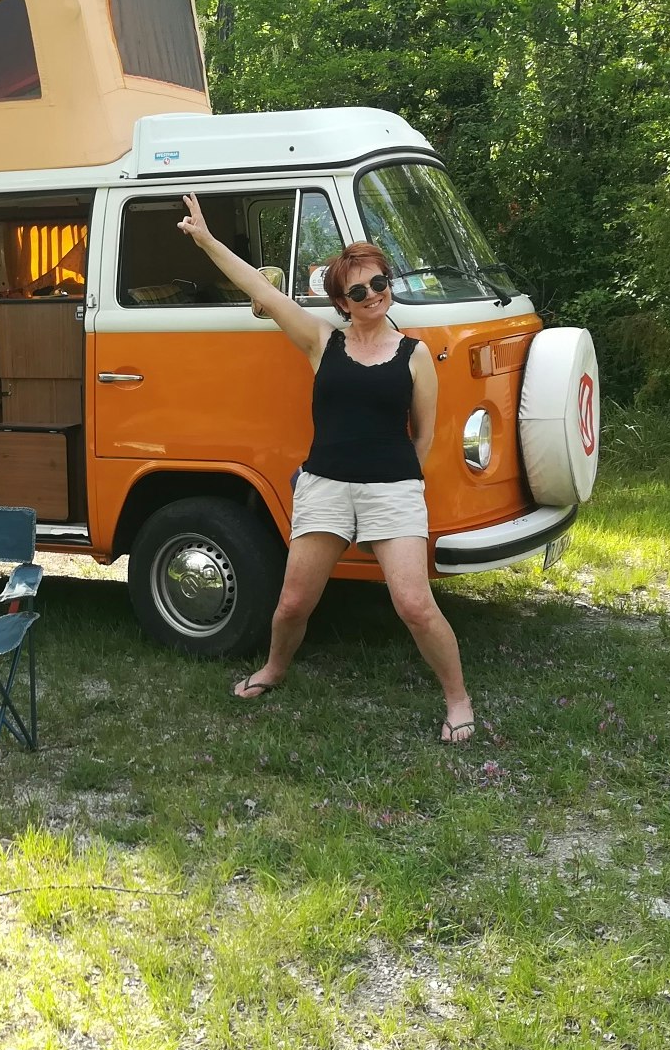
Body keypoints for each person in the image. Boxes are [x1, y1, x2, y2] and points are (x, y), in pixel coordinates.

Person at [176, 194, 478, 741]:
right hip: (324, 487)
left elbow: (426, 434)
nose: (371, 296)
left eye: (379, 283)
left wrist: (402, 491)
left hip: (393, 488)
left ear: (390, 283)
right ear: (341, 301)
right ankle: (274, 669)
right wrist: (205, 239)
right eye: (357, 290)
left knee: (413, 603)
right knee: (293, 603)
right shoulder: (322, 341)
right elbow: (261, 289)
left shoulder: (414, 355)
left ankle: (457, 699)